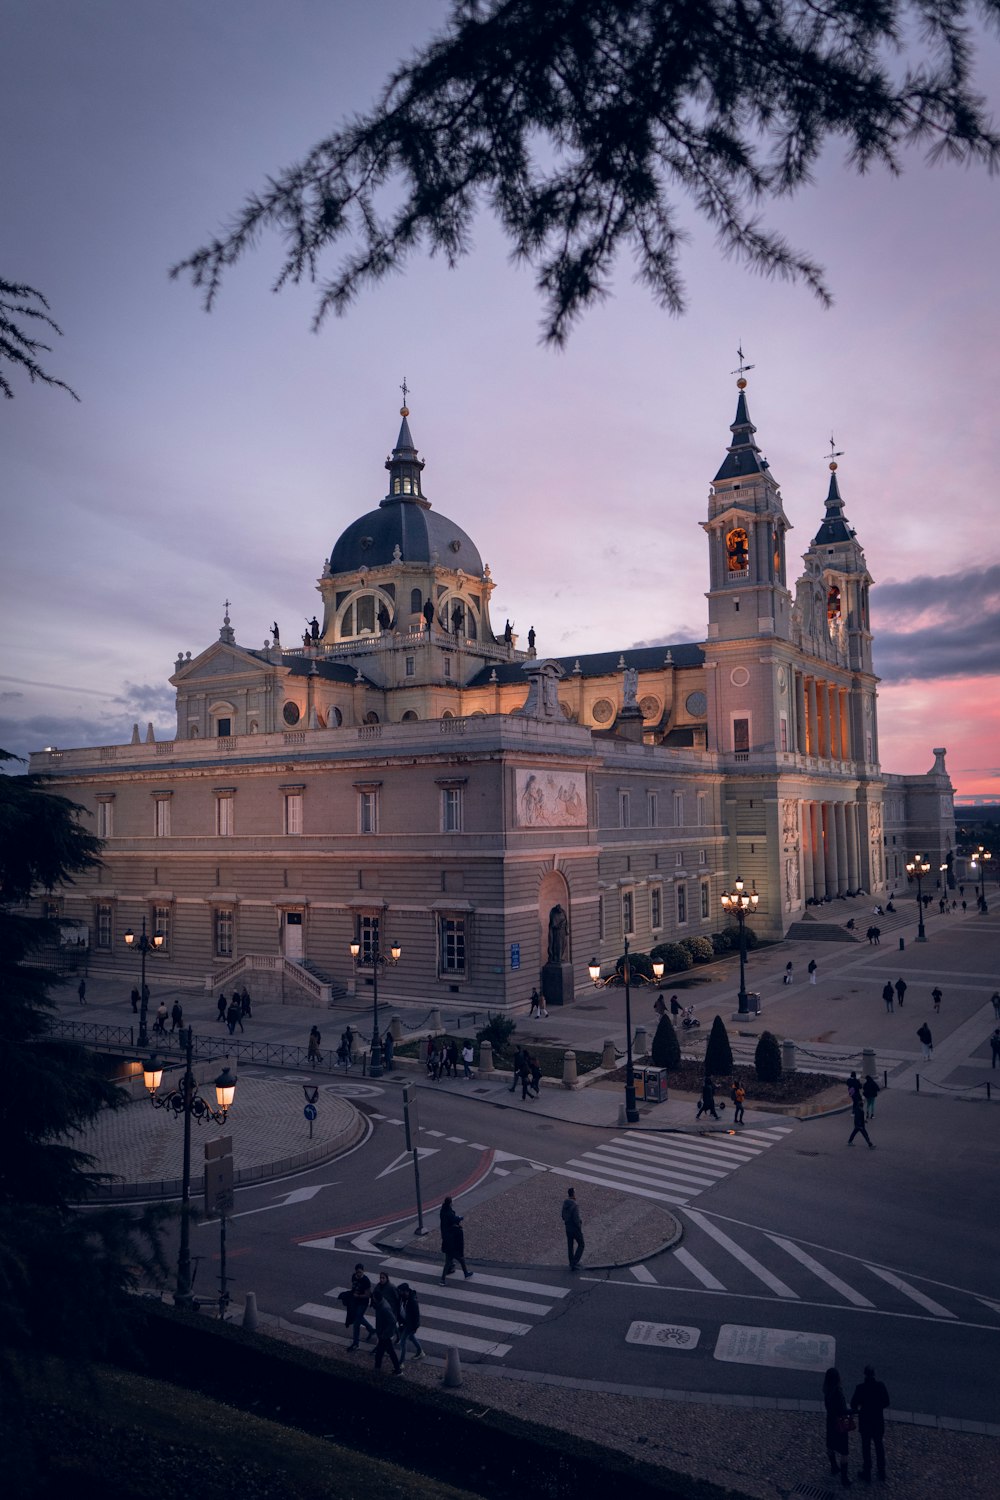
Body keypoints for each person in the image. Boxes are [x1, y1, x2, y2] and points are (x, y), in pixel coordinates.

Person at [851, 1365, 890, 1484]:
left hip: (865, 1421)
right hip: (877, 1421)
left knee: (866, 1447)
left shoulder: (860, 1388)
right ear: (874, 1374)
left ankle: (867, 1472)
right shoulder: (880, 1386)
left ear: (864, 1374)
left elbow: (853, 1404)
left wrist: (861, 1409)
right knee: (879, 1446)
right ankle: (881, 1471)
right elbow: (886, 1402)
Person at [822, 1367, 853, 1487]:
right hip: (839, 1423)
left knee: (830, 1445)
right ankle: (844, 1479)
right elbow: (843, 1410)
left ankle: (833, 1466)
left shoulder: (826, 1390)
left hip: (830, 1421)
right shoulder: (838, 1393)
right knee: (844, 1451)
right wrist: (854, 1411)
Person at [370, 1285, 402, 1373]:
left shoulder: (384, 1308)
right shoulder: (381, 1304)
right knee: (381, 1351)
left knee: (390, 1352)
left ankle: (397, 1370)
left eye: (373, 1298)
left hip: (385, 1334)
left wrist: (385, 1333)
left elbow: (393, 1321)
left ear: (376, 1299)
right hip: (383, 1333)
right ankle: (378, 1367)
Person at [440, 1196, 472, 1281]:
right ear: (450, 1203)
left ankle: (465, 1273)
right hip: (450, 1244)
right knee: (457, 1259)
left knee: (450, 1261)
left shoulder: (443, 1211)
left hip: (447, 1242)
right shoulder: (449, 1213)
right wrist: (459, 1218)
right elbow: (453, 1219)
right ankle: (443, 1280)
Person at [346, 1263, 374, 1348]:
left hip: (363, 1303)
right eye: (357, 1272)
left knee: (356, 1322)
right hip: (355, 1302)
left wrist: (358, 1295)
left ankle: (355, 1343)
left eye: (360, 1272)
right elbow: (353, 1286)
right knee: (359, 1317)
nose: (358, 1274)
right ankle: (371, 1329)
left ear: (363, 1271)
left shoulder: (366, 1280)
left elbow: (368, 1294)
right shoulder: (354, 1276)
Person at [396, 1283, 423, 1364]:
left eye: (401, 1291)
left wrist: (414, 1328)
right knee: (411, 1337)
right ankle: (420, 1351)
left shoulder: (413, 1302)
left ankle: (401, 1362)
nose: (399, 1293)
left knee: (403, 1342)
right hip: (405, 1322)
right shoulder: (402, 1297)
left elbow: (416, 1316)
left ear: (406, 1291)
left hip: (410, 1325)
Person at [561, 1186, 584, 1272]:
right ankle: (575, 1262)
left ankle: (571, 1262)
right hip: (575, 1229)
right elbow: (576, 1219)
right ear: (573, 1194)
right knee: (581, 1244)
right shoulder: (575, 1205)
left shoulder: (565, 1203)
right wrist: (579, 1226)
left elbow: (563, 1216)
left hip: (568, 1228)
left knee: (570, 1246)